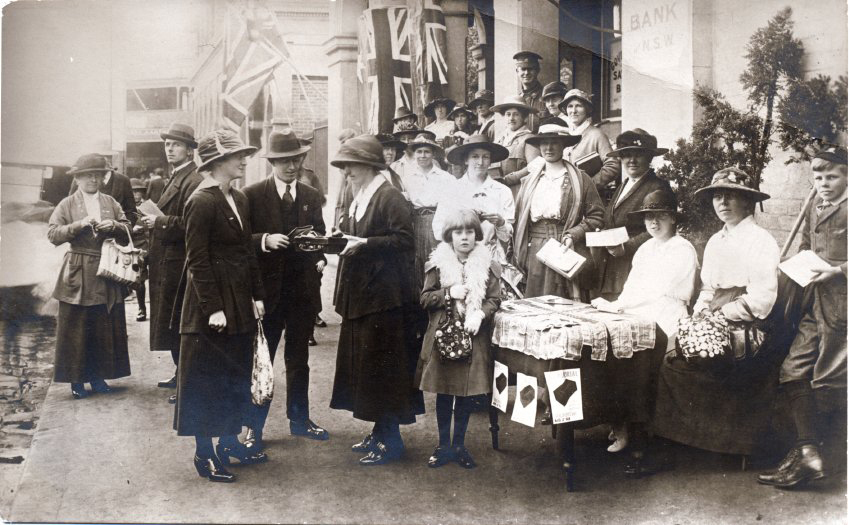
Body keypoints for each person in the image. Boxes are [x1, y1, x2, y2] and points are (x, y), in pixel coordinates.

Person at [653, 167, 781, 462]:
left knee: (707, 359)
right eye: (718, 197)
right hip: (715, 312)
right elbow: (708, 288)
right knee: (673, 349)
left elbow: (763, 297)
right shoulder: (715, 240)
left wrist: (722, 317)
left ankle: (724, 445)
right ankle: (683, 441)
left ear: (747, 202)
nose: (723, 203)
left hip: (749, 320)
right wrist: (699, 315)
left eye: (731, 196)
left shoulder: (760, 240)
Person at [174, 129, 267, 483]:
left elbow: (246, 251)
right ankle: (204, 453)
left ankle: (229, 442)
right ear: (216, 163)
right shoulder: (201, 200)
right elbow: (196, 259)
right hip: (208, 304)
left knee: (233, 373)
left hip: (239, 299)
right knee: (205, 378)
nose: (244, 160)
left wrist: (257, 295)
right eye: (236, 156)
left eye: (243, 154)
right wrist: (212, 307)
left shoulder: (238, 198)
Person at [758, 148, 848, 488]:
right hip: (814, 301)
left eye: (832, 176)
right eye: (818, 177)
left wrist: (837, 271)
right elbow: (808, 247)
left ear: (847, 176)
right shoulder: (815, 205)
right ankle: (808, 451)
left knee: (827, 381)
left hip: (843, 306)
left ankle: (816, 459)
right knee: (793, 369)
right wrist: (794, 267)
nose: (824, 183)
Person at [329, 135, 419, 466]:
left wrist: (364, 243)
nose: (346, 172)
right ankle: (380, 432)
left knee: (384, 368)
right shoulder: (363, 195)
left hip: (386, 297)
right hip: (365, 294)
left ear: (368, 166)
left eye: (350, 166)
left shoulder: (389, 196)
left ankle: (391, 439)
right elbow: (360, 236)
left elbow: (404, 241)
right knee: (369, 367)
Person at [591, 189, 698, 453]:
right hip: (640, 311)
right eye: (649, 216)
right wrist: (618, 306)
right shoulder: (646, 248)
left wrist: (618, 306)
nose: (654, 222)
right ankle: (619, 422)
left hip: (667, 315)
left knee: (636, 357)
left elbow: (657, 289)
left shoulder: (682, 249)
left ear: (673, 219)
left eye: (660, 216)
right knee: (610, 348)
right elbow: (632, 286)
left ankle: (635, 429)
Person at [241, 130, 329, 451]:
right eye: (284, 161)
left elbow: (318, 233)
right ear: (272, 162)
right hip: (269, 293)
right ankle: (254, 428)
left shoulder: (309, 194)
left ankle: (299, 420)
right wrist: (265, 240)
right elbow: (240, 240)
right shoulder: (251, 195)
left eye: (296, 159)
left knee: (299, 357)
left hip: (303, 291)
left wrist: (318, 254)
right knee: (262, 359)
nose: (291, 166)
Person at [416, 209, 501, 469]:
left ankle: (460, 445)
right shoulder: (437, 264)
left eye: (469, 232)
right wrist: (448, 293)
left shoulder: (488, 264)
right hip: (444, 335)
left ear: (477, 235)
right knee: (445, 392)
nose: (464, 237)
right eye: (458, 232)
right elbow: (424, 298)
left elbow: (495, 299)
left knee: (464, 394)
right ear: (449, 236)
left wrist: (480, 315)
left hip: (473, 335)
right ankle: (443, 445)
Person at [48, 153, 132, 399]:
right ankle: (76, 380)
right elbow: (53, 234)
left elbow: (128, 228)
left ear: (103, 177)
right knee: (76, 325)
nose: (93, 179)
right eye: (87, 175)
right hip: (78, 269)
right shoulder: (67, 204)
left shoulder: (110, 202)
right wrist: (79, 225)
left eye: (98, 174)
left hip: (105, 269)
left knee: (101, 325)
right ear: (78, 178)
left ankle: (98, 377)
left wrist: (115, 227)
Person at [139, 123, 202, 402]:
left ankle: (188, 380)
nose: (170, 149)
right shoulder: (177, 176)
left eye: (176, 145)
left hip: (180, 263)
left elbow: (194, 223)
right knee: (172, 324)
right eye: (167, 145)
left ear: (189, 150)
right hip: (167, 262)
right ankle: (181, 373)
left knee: (180, 323)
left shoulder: (194, 179)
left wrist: (159, 221)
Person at [513, 129, 604, 300]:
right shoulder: (530, 181)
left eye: (554, 142)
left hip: (566, 248)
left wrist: (573, 235)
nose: (548, 147)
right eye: (544, 143)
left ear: (563, 145)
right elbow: (519, 220)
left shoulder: (581, 179)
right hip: (535, 252)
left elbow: (597, 216)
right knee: (536, 305)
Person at [595, 129, 672, 302]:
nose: (632, 160)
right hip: (612, 269)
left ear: (650, 158)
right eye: (626, 155)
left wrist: (626, 247)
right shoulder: (624, 186)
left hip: (637, 266)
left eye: (638, 155)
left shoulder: (657, 187)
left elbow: (662, 230)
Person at [434, 135, 514, 266]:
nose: (480, 162)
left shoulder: (502, 191)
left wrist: (500, 223)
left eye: (485, 157)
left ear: (490, 161)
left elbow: (506, 236)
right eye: (475, 156)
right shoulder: (451, 190)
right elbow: (438, 229)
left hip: (491, 257)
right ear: (466, 160)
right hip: (457, 259)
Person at [400, 133, 455, 296]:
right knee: (417, 261)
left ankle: (439, 299)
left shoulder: (445, 178)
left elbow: (451, 204)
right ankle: (420, 305)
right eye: (419, 152)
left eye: (426, 152)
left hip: (438, 221)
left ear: (433, 154)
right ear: (414, 154)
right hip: (415, 222)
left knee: (437, 259)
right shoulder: (406, 178)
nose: (422, 155)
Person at [489, 95, 539, 193]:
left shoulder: (529, 139)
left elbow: (535, 167)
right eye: (508, 114)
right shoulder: (499, 140)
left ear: (524, 118)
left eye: (516, 114)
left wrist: (508, 179)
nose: (511, 118)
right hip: (498, 191)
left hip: (519, 190)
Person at [129, 178, 150, 322]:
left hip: (151, 245)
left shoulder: (149, 206)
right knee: (139, 279)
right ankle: (142, 308)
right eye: (134, 191)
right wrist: (131, 229)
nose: (137, 194)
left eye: (139, 191)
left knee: (156, 280)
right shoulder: (126, 209)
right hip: (136, 247)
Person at [513, 51, 545, 132]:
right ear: (517, 71)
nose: (526, 73)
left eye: (530, 69)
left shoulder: (547, 97)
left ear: (537, 71)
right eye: (523, 69)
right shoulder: (517, 100)